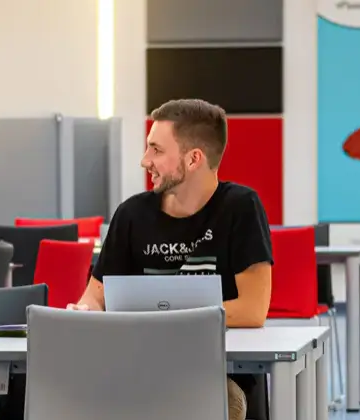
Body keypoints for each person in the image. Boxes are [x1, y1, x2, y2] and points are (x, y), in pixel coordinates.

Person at [70, 99, 274, 420]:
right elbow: (95, 296)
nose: (144, 160)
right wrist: (84, 312)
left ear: (194, 159)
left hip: (215, 372)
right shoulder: (131, 214)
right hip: (136, 367)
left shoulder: (241, 208)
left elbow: (252, 310)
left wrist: (157, 316)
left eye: (156, 150)